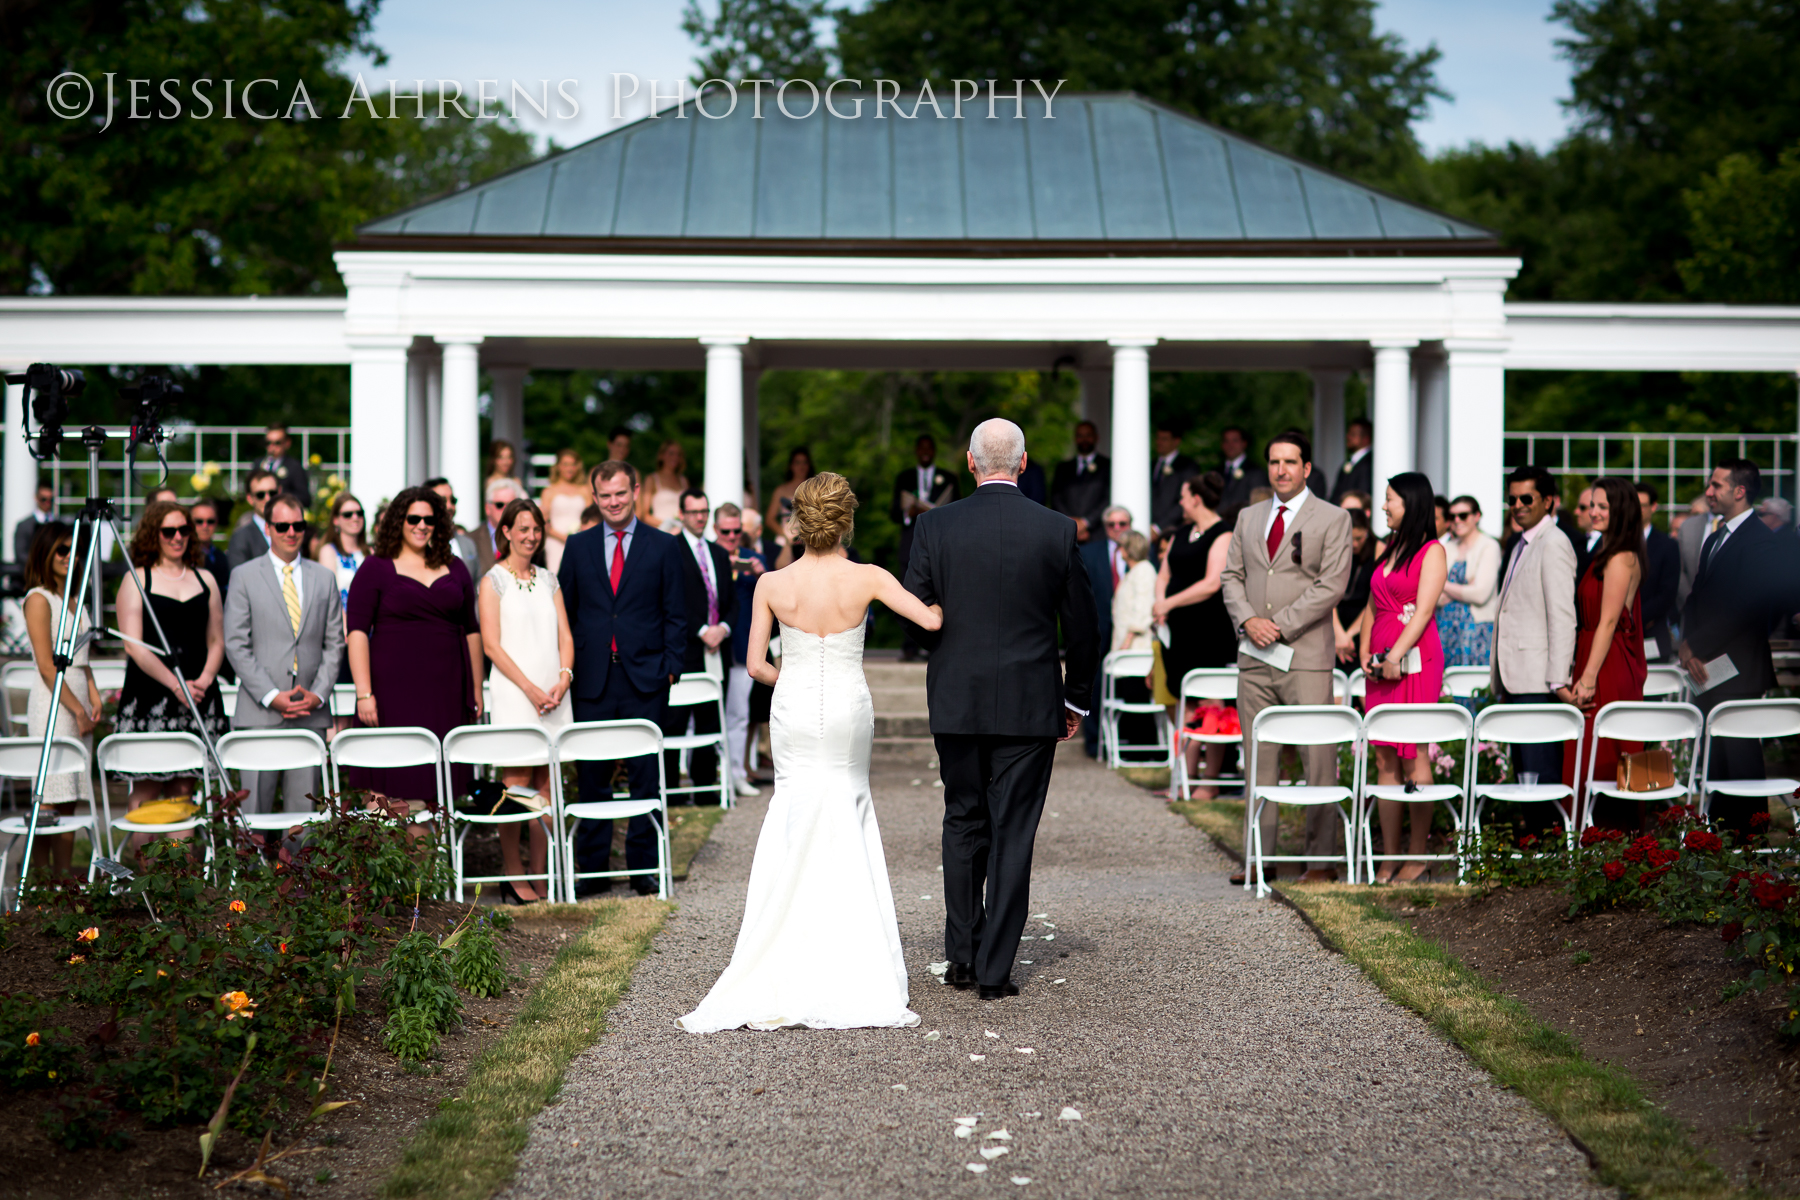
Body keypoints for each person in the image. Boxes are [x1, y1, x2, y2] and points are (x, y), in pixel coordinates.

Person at [678, 472, 943, 1032]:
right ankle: (854, 958)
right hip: (848, 708)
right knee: (847, 807)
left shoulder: (772, 583)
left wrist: (794, 680)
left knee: (794, 811)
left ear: (797, 521)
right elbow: (931, 620)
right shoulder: (869, 576)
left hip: (793, 709)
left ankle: (781, 948)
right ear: (846, 519)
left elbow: (753, 666)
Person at [899, 419, 1099, 1001]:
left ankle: (961, 957)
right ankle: (993, 971)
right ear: (1024, 462)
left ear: (968, 462)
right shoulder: (1058, 530)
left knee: (963, 820)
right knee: (1013, 831)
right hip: (1028, 702)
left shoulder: (934, 525)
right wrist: (1074, 698)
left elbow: (917, 608)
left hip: (957, 700)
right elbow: (1085, 629)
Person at [1221, 430, 1353, 885]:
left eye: (1290, 462)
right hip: (1254, 656)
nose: (1281, 470)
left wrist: (1281, 624)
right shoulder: (1248, 516)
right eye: (1274, 462)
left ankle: (1320, 862)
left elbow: (1332, 584)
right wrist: (1249, 621)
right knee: (1259, 756)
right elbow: (1231, 577)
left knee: (1318, 757)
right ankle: (1260, 856)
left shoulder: (1334, 519)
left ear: (1307, 468)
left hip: (1306, 655)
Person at [560, 460, 687, 896]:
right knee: (592, 776)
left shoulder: (664, 546)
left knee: (644, 776)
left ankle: (644, 871)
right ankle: (594, 872)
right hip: (592, 679)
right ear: (595, 498)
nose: (613, 502)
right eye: (605, 495)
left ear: (635, 491)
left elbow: (677, 613)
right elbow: (567, 615)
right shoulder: (577, 547)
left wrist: (671, 668)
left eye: (620, 493)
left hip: (646, 678)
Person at [346, 487, 483, 807]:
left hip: (446, 694)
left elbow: (472, 631)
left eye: (430, 519)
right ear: (399, 521)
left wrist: (475, 688)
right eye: (414, 518)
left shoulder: (456, 566)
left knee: (437, 789)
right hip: (390, 694)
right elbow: (356, 633)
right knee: (389, 789)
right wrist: (364, 693)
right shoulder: (376, 567)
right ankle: (394, 856)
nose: (422, 525)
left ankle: (433, 856)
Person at [1680, 460, 1787, 841]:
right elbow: (1695, 597)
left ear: (1739, 491)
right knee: (1717, 758)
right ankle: (1721, 839)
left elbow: (1747, 608)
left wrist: (1697, 645)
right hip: (1705, 666)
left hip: (1738, 668)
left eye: (1716, 485)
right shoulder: (1716, 536)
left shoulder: (1760, 540)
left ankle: (1750, 841)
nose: (1708, 491)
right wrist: (1686, 646)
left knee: (1740, 757)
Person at [222, 493, 343, 819]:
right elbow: (235, 644)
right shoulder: (244, 576)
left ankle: (300, 872)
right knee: (254, 812)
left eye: (298, 525)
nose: (291, 532)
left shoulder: (324, 577)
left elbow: (335, 644)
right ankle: (254, 871)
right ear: (268, 527)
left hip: (310, 712)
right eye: (283, 525)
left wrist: (317, 694)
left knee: (304, 818)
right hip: (260, 711)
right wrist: (272, 695)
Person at [113, 501, 228, 835]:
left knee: (184, 792)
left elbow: (217, 640)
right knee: (146, 792)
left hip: (200, 694)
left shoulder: (205, 579)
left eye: (184, 530)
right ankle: (150, 883)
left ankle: (180, 881)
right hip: (151, 695)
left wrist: (204, 680)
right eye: (169, 531)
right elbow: (133, 645)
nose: (178, 537)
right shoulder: (136, 580)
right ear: (154, 534)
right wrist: (176, 685)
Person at [478, 498, 572, 904]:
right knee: (515, 785)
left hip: (555, 695)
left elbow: (565, 637)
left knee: (547, 786)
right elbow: (492, 646)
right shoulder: (492, 580)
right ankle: (514, 876)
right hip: (516, 694)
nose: (531, 536)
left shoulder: (550, 580)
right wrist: (532, 689)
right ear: (506, 532)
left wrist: (563, 679)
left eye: (536, 528)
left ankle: (542, 872)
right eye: (523, 528)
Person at [1360, 473, 1448, 883]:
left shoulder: (1432, 551)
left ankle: (1418, 854)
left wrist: (1395, 654)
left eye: (1389, 500)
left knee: (1413, 753)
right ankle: (1388, 856)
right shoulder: (1389, 548)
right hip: (1379, 662)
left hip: (1414, 659)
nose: (1383, 507)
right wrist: (1365, 650)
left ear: (1410, 503)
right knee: (1384, 755)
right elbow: (1372, 605)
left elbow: (1425, 610)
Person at [1489, 465, 1579, 832]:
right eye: (1512, 499)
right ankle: (1534, 847)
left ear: (1548, 501)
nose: (1518, 505)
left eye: (1527, 498)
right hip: (1516, 677)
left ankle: (1548, 851)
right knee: (1525, 773)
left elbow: (1562, 616)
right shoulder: (1522, 542)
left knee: (1541, 776)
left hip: (1539, 680)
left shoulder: (1554, 542)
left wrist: (1558, 678)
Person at [1558, 478, 1648, 828]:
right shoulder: (1607, 552)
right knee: (1592, 746)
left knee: (1607, 750)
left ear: (1620, 511)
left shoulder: (1621, 558)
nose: (1592, 512)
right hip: (1595, 656)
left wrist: (1589, 677)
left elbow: (1609, 621)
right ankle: (1589, 835)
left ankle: (1611, 836)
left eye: (1602, 506)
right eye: (1591, 505)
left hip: (1607, 664)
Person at [21, 523, 100, 877]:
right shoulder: (39, 597)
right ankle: (40, 879)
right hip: (54, 700)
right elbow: (46, 665)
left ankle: (64, 878)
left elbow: (83, 656)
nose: (71, 557)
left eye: (75, 550)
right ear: (46, 553)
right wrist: (78, 709)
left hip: (79, 693)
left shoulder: (74, 595)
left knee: (71, 795)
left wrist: (94, 696)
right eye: (62, 550)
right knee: (49, 796)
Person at [1153, 474, 1237, 798]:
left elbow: (1212, 582)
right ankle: (1185, 779)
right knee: (1185, 703)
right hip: (1179, 632)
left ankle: (1210, 781)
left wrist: (1169, 602)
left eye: (1184, 496)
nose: (1180, 503)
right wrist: (1160, 605)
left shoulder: (1223, 534)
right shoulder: (1181, 533)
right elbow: (1165, 573)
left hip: (1209, 631)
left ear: (1197, 499)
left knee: (1212, 704)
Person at [671, 488, 735, 794]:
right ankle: (672, 792)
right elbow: (669, 601)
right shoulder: (669, 549)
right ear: (682, 514)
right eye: (694, 512)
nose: (699, 517)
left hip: (717, 650)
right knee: (675, 723)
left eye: (703, 512)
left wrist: (722, 627)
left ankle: (707, 789)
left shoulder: (719, 553)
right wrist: (700, 630)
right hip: (685, 650)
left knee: (711, 722)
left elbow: (732, 603)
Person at [713, 502, 766, 799]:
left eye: (737, 531)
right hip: (709, 645)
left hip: (742, 645)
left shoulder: (753, 558)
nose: (732, 536)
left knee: (739, 714)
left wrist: (760, 573)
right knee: (702, 714)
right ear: (715, 529)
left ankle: (735, 773)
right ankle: (704, 775)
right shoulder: (706, 555)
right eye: (726, 531)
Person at [891, 435, 959, 661]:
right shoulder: (904, 477)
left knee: (939, 592)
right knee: (907, 593)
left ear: (935, 451)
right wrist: (907, 514)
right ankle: (909, 646)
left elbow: (958, 509)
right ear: (916, 451)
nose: (925, 452)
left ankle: (938, 645)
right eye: (922, 448)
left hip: (940, 542)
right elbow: (893, 512)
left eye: (930, 448)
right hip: (910, 543)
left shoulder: (949, 478)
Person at [1075, 506, 1129, 757]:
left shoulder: (1142, 551)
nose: (1117, 529)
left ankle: (1127, 741)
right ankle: (1096, 742)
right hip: (1099, 628)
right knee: (1095, 685)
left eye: (1123, 524)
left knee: (1130, 684)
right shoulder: (1088, 553)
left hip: (1131, 632)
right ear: (1105, 527)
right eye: (1112, 524)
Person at [1436, 495, 1501, 669]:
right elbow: (1431, 593)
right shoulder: (1446, 547)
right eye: (1452, 516)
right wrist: (1465, 589)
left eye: (1463, 515)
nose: (1457, 521)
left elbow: (1480, 595)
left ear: (1476, 516)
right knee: (1445, 690)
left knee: (1473, 687)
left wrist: (1443, 585)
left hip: (1477, 630)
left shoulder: (1488, 546)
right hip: (1444, 629)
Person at [1637, 483, 1680, 661]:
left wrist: (1635, 619)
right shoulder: (1612, 542)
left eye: (1642, 505)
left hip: (1652, 632)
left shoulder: (1667, 545)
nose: (1636, 510)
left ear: (1653, 507)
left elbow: (1667, 593)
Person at [1050, 421, 1111, 542]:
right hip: (1066, 534)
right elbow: (1056, 498)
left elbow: (1107, 499)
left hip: (1096, 535)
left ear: (1096, 437)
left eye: (1088, 435)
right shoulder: (1063, 468)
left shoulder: (1108, 466)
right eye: (1080, 436)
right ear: (1075, 438)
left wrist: (1085, 523)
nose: (1084, 440)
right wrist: (1072, 523)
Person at [1334, 509, 1377, 669]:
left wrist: (1350, 634)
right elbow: (1327, 592)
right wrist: (1339, 633)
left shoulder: (1378, 549)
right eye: (1349, 539)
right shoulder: (1334, 550)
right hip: (1335, 626)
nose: (1355, 544)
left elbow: (1374, 600)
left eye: (1359, 538)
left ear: (1367, 531)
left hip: (1364, 627)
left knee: (1362, 684)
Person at [538, 448, 589, 574]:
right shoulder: (549, 491)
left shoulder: (585, 490)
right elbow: (544, 523)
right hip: (556, 542)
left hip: (580, 542)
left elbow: (590, 519)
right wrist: (564, 538)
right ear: (558, 466)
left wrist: (578, 538)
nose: (569, 468)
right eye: (565, 464)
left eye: (573, 464)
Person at [764, 447, 816, 560]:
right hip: (786, 541)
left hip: (810, 541)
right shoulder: (781, 490)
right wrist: (785, 535)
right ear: (791, 466)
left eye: (805, 462)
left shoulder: (816, 489)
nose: (801, 466)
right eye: (797, 462)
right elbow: (769, 519)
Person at [423, 477, 479, 581]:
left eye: (453, 500)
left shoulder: (468, 544)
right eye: (443, 501)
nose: (449, 506)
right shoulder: (420, 545)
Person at [1150, 422, 1199, 537]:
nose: (1159, 442)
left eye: (1164, 439)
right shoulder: (1150, 465)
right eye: (1158, 438)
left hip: (1174, 530)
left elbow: (1186, 499)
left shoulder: (1187, 467)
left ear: (1176, 441)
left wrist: (1158, 528)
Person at [226, 468, 280, 570]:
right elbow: (239, 579)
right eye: (260, 495)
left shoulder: (294, 529)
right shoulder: (241, 538)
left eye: (272, 493)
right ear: (250, 499)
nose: (267, 498)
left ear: (280, 492)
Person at [1111, 532, 1154, 650]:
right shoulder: (1132, 572)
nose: (1118, 550)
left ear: (1128, 549)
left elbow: (1143, 608)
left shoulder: (1143, 570)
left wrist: (1127, 641)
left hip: (1136, 645)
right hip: (1127, 643)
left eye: (1121, 546)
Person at [476, 477, 525, 580]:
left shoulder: (528, 540)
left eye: (511, 505)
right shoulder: (471, 539)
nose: (505, 509)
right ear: (487, 508)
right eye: (499, 505)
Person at [255, 422, 312, 509]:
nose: (272, 447)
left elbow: (305, 498)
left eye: (277, 443)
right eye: (268, 443)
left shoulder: (294, 466)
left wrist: (279, 494)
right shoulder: (258, 464)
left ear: (287, 443)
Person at [637, 440, 688, 531]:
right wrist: (668, 525)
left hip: (681, 531)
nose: (675, 457)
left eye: (678, 454)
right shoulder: (652, 479)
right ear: (661, 456)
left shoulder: (683, 481)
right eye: (671, 453)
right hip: (661, 530)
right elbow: (645, 514)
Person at [188, 497, 233, 597]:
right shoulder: (184, 557)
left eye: (210, 521)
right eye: (199, 521)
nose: (205, 526)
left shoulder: (221, 557)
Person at [1217, 426, 1268, 512]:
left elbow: (1261, 504)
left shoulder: (1255, 472)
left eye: (1235, 441)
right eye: (1226, 441)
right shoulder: (1216, 472)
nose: (1230, 445)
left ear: (1244, 443)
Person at [1676, 493, 1712, 610]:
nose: (1693, 518)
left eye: (1696, 513)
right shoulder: (1688, 528)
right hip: (1691, 608)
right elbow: (1679, 570)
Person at [1329, 418, 1373, 504]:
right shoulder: (1350, 461)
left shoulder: (1369, 463)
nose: (1348, 437)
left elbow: (1364, 493)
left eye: (1353, 434)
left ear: (1366, 439)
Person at [13, 483, 55, 563]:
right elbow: (20, 554)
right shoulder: (24, 525)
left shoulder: (58, 524)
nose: (47, 503)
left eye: (50, 500)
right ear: (36, 498)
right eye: (43, 499)